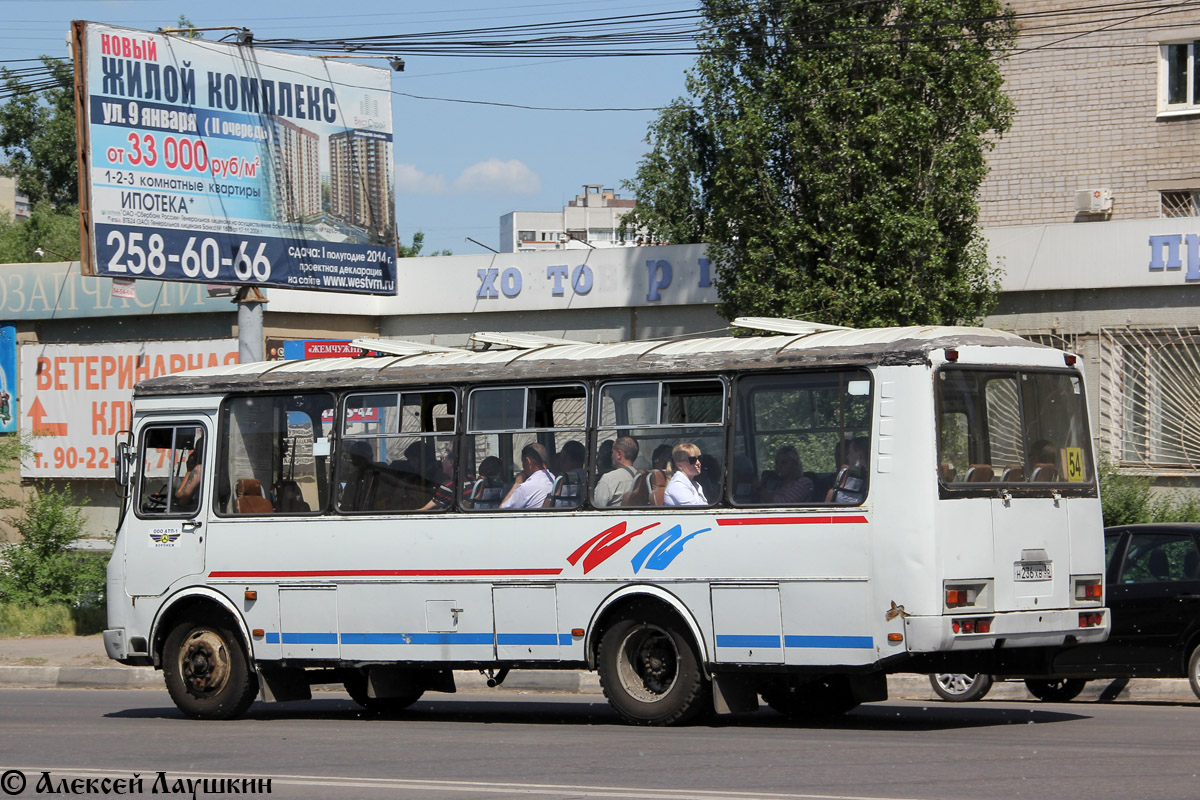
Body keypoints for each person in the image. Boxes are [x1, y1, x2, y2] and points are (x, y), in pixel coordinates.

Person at [500, 443, 555, 509]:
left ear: (528, 461)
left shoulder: (525, 487)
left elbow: (502, 510)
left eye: (523, 462)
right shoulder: (552, 478)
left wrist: (517, 484)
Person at [594, 436, 639, 507]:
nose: (611, 456)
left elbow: (597, 508)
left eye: (612, 452)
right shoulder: (641, 476)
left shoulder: (608, 479)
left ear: (619, 454)